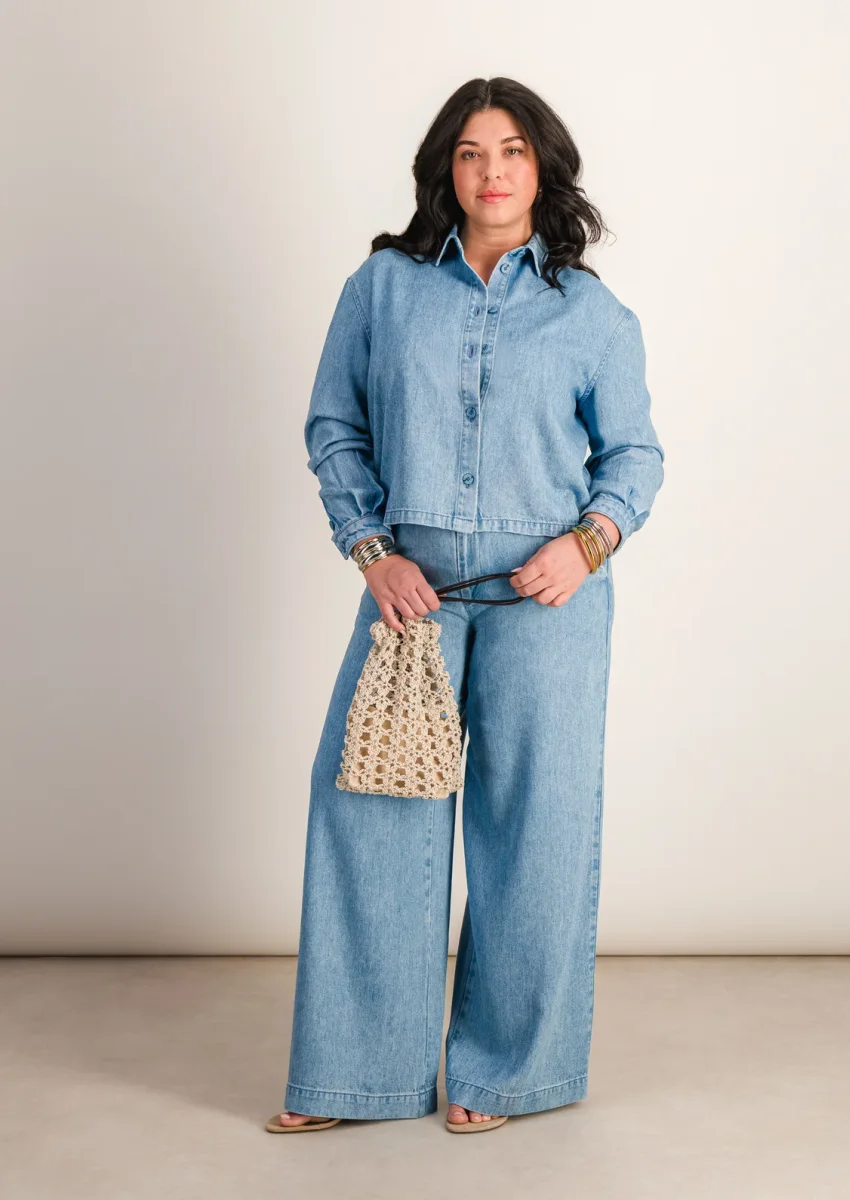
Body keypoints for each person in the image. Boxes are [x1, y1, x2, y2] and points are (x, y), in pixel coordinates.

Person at [265, 76, 664, 1136]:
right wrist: (373, 552)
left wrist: (586, 546)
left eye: (514, 150)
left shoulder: (591, 314)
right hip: (413, 602)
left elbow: (634, 458)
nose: (493, 171)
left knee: (535, 832)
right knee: (370, 817)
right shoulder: (384, 288)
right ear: (446, 168)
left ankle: (504, 1076)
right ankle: (356, 1077)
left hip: (550, 608)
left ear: (543, 168)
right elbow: (335, 427)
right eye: (473, 152)